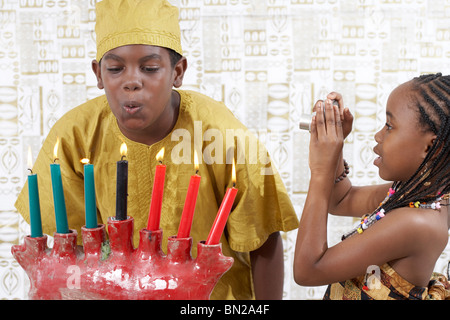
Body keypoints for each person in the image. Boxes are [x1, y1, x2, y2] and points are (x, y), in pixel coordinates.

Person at [14, 0, 298, 300]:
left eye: (149, 68)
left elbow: (263, 241)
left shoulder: (224, 137)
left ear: (177, 71)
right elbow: (71, 248)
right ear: (98, 74)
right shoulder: (75, 136)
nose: (132, 81)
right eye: (115, 68)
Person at [294, 73, 450, 300]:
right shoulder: (418, 195)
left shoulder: (417, 221)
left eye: (389, 126)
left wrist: (321, 171)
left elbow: (308, 271)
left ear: (431, 146)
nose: (378, 135)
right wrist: (335, 149)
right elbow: (342, 199)